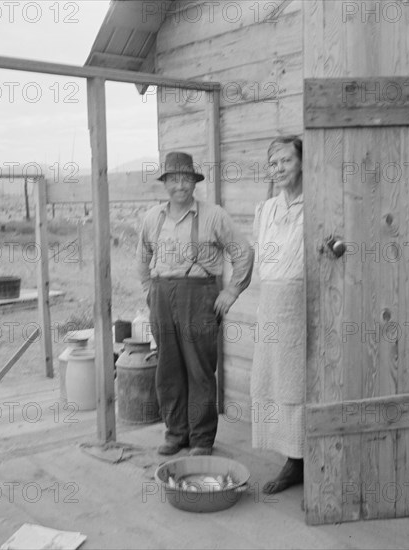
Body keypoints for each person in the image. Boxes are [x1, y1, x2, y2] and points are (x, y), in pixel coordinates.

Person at [137, 151, 254, 456]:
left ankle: (201, 438)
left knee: (199, 370)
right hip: (162, 296)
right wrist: (150, 290)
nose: (180, 185)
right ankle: (176, 433)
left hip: (199, 297)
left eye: (185, 179)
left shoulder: (214, 215)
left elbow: (243, 252)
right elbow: (142, 257)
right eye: (173, 179)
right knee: (168, 368)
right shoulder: (152, 218)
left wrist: (231, 291)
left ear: (194, 182)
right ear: (165, 183)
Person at [250, 136, 305, 493]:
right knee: (271, 378)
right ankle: (291, 460)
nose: (280, 168)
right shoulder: (265, 209)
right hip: (270, 303)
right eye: (274, 164)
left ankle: (306, 459)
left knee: (297, 380)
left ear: (301, 162)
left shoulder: (315, 204)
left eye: (286, 160)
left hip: (301, 302)